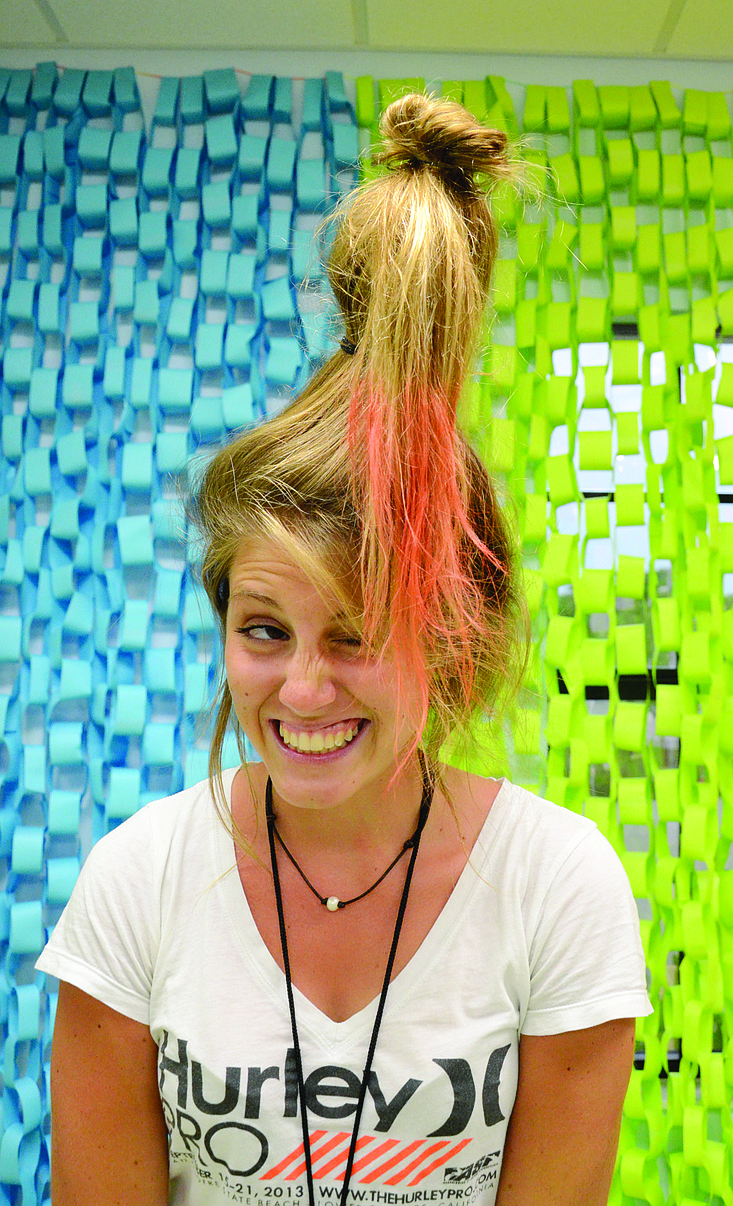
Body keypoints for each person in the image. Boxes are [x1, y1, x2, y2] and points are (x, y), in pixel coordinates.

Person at [37, 93, 652, 1206]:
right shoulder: (138, 883)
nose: (303, 687)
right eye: (263, 630)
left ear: (452, 633)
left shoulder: (558, 889)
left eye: (358, 636)